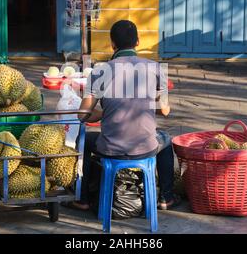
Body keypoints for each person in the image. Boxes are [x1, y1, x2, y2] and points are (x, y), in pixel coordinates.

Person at [71, 20, 180, 211]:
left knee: (84, 139)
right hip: (145, 147)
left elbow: (83, 115)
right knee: (166, 140)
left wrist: (105, 113)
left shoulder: (99, 71)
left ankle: (83, 199)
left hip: (110, 148)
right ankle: (166, 198)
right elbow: (164, 110)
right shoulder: (156, 68)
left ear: (112, 44)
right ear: (138, 42)